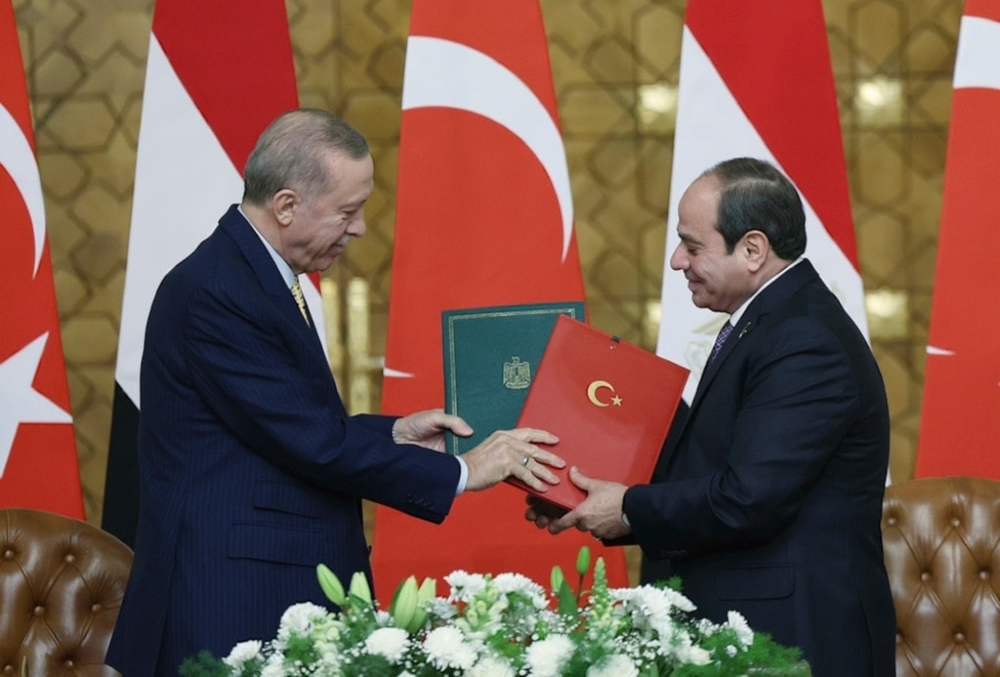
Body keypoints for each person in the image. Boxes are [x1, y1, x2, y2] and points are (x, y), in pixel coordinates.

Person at [105, 108, 564, 676]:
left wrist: (394, 432)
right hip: (230, 597)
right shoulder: (219, 292)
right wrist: (466, 471)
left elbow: (285, 423)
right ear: (288, 205)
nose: (361, 228)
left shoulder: (253, 276)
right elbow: (311, 443)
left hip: (260, 583)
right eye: (347, 211)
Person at [527, 157, 895, 676]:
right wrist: (585, 496)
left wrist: (627, 506)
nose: (677, 261)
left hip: (792, 639)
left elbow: (748, 498)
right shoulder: (771, 325)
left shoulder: (803, 340)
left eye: (692, 246)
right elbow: (713, 467)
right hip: (753, 627)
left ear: (752, 249)